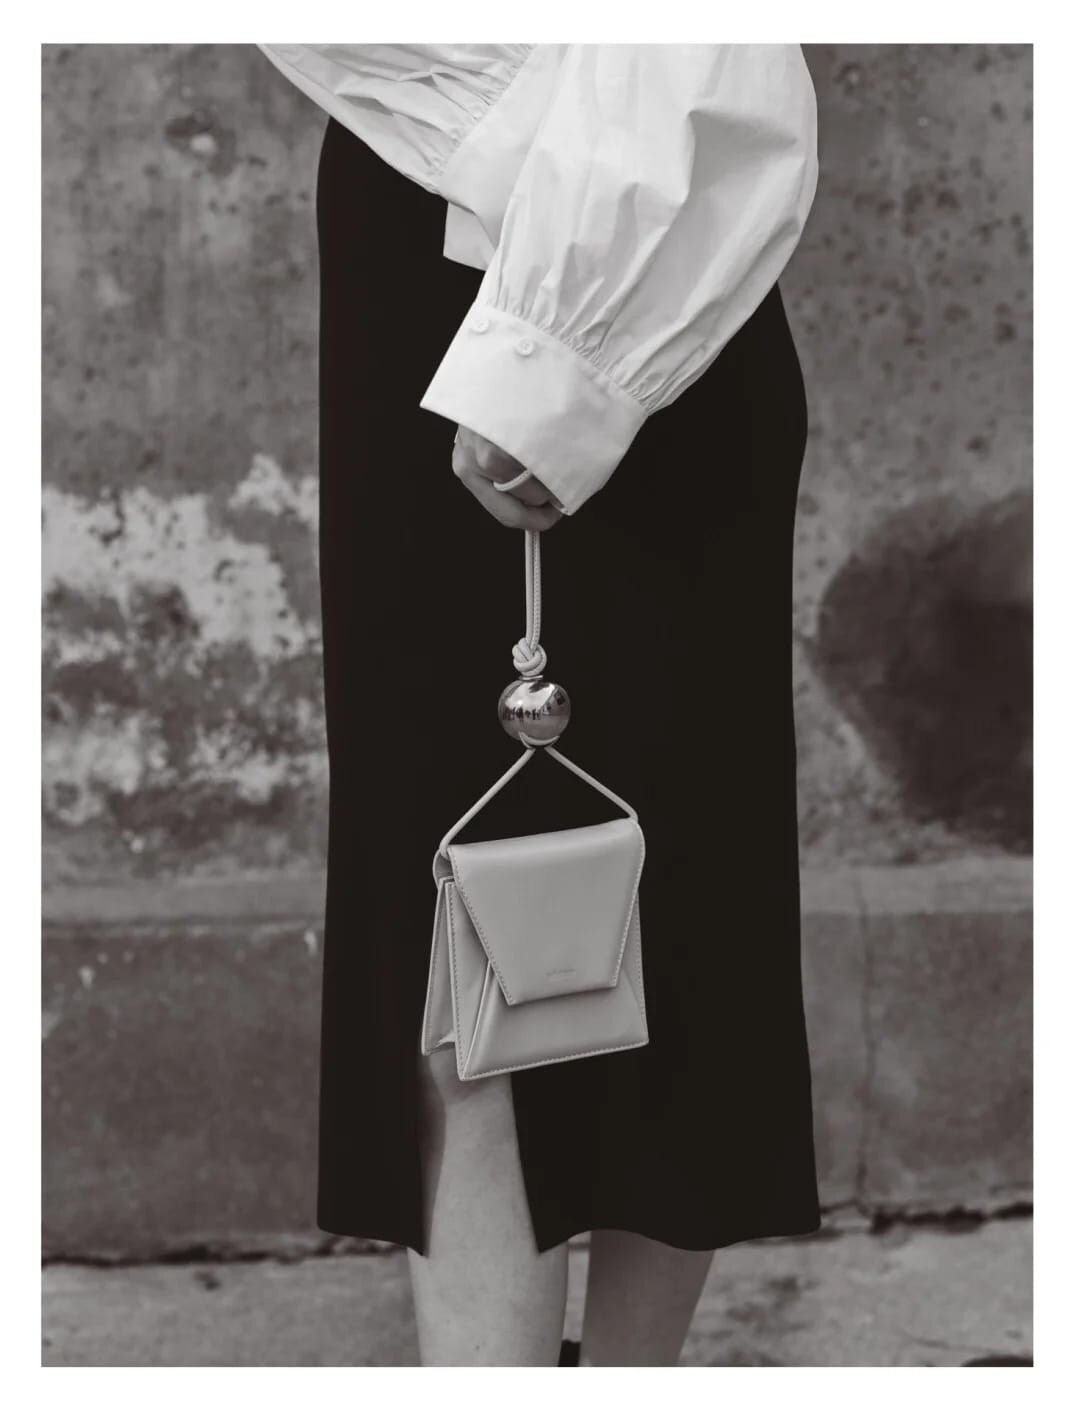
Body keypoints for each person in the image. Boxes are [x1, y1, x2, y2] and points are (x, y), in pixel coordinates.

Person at [256, 42, 823, 1367]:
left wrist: (559, 355)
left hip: (602, 263)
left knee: (649, 901)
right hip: (453, 255)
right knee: (469, 922)